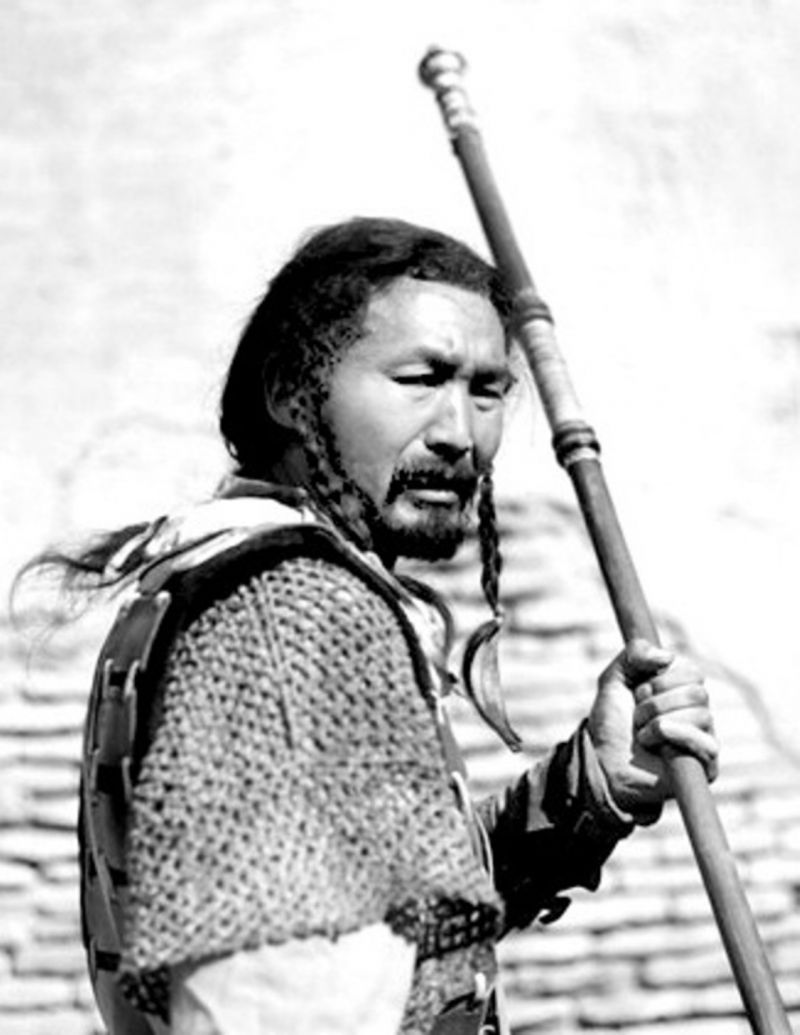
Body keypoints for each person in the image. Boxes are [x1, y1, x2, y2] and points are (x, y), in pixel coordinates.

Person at [53, 217, 716, 1035]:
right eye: (420, 378)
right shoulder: (292, 612)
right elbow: (275, 1006)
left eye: (487, 390)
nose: (459, 433)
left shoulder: (240, 581)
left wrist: (594, 784)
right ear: (289, 393)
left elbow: (399, 921)